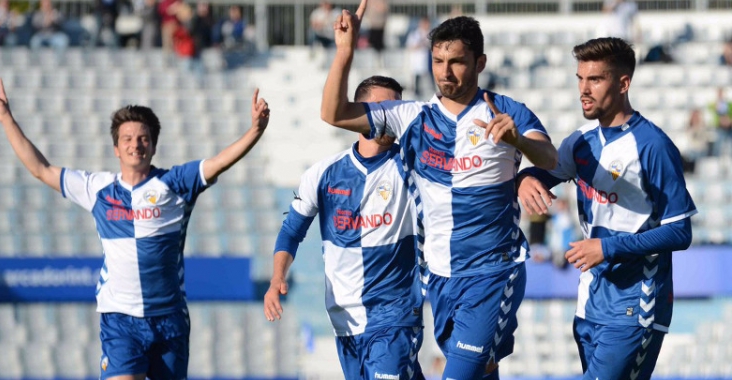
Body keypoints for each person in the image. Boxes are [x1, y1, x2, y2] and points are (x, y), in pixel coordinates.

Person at [321, 5, 558, 379]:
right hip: (441, 278)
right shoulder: (411, 117)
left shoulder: (507, 112)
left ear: (480, 62)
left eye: (457, 62)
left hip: (493, 272)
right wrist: (346, 52)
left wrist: (518, 143)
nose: (445, 72)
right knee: (482, 371)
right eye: (437, 61)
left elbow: (548, 156)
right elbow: (334, 113)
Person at [0, 78, 270, 379]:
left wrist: (254, 130)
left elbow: (217, 163)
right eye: (128, 139)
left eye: (143, 138)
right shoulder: (97, 188)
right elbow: (41, 169)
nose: (136, 144)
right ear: (116, 149)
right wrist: (6, 119)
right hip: (121, 321)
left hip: (169, 319)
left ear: (154, 145)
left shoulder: (175, 184)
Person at [516, 37, 697, 380]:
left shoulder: (652, 146)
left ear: (623, 83)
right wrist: (523, 178)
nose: (584, 89)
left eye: (595, 80)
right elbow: (541, 174)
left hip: (635, 306)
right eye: (580, 79)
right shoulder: (580, 142)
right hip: (590, 303)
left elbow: (680, 230)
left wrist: (608, 247)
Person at [264, 75, 425, 380]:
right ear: (360, 112)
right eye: (381, 106)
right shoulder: (323, 174)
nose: (389, 115)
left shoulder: (412, 168)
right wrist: (276, 279)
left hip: (394, 315)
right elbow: (291, 232)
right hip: (345, 322)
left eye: (395, 107)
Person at [709, 87, 732, 156]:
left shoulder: (729, 104)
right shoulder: (713, 105)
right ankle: (716, 160)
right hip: (719, 127)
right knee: (718, 146)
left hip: (729, 128)